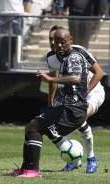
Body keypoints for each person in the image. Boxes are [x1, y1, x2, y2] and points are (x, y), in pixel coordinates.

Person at [5, 28, 89, 178]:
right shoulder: (64, 58)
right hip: (67, 107)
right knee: (32, 127)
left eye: (63, 42)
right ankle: (26, 169)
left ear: (71, 40)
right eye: (56, 42)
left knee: (34, 126)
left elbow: (75, 78)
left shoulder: (74, 57)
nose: (59, 45)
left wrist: (51, 78)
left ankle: (33, 171)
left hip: (73, 110)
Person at [47, 25, 105, 173]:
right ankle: (74, 160)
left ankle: (91, 158)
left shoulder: (78, 51)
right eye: (52, 40)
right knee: (48, 125)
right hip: (69, 95)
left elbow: (99, 73)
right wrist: (50, 103)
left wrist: (84, 93)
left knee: (80, 118)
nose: (55, 43)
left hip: (93, 91)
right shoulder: (51, 58)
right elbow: (53, 80)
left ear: (67, 40)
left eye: (60, 40)